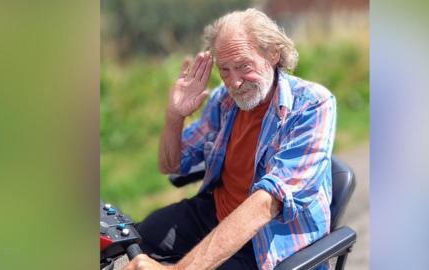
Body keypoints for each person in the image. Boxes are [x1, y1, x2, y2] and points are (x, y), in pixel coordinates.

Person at [123, 8, 336, 270]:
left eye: (243, 66)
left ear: (273, 54)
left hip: (268, 240)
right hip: (216, 214)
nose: (234, 82)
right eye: (224, 70)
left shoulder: (312, 105)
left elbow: (266, 203)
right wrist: (174, 117)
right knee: (142, 235)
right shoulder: (223, 100)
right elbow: (171, 165)